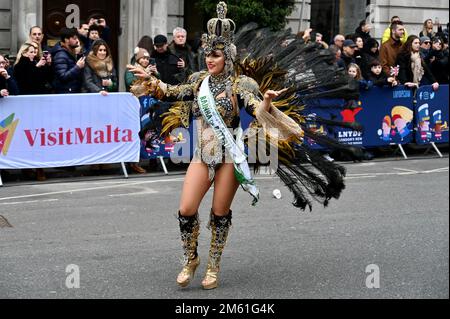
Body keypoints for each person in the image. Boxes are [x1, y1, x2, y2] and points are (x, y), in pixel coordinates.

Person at [129, 2, 353, 290]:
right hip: (202, 154)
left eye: (216, 55)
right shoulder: (199, 82)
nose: (209, 59)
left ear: (228, 57)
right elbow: (174, 93)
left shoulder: (240, 84)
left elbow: (257, 107)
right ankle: (191, 259)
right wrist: (152, 80)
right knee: (186, 209)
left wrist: (268, 102)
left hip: (228, 156)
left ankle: (213, 265)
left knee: (219, 213)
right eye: (207, 53)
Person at [52, 28, 86, 94]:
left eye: (77, 38)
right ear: (66, 40)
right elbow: (63, 76)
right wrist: (77, 67)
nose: (77, 41)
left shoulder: (71, 52)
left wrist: (79, 54)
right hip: (66, 93)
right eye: (74, 38)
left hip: (73, 90)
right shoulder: (60, 55)